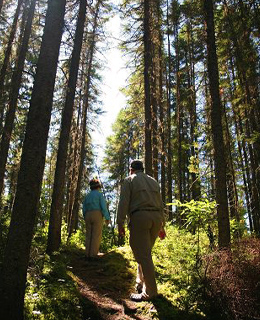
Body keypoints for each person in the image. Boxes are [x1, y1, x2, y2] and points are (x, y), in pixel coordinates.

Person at [117, 159, 166, 302]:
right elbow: (160, 203)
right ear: (142, 169)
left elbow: (124, 202)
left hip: (140, 217)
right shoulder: (153, 181)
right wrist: (162, 225)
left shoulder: (129, 180)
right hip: (156, 219)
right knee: (145, 253)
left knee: (143, 255)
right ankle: (140, 282)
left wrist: (120, 223)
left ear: (131, 170)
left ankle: (150, 293)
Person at [82, 178, 111, 259]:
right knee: (96, 234)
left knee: (89, 235)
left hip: (88, 214)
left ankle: (87, 253)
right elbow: (103, 207)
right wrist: (107, 217)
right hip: (97, 214)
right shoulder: (99, 194)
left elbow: (83, 208)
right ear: (98, 186)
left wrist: (85, 216)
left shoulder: (87, 196)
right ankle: (93, 254)